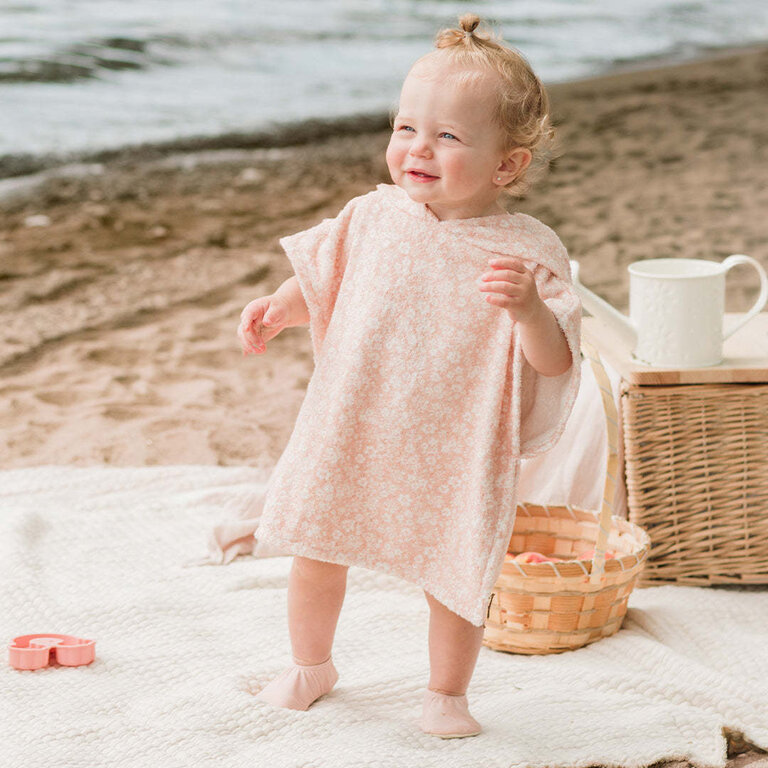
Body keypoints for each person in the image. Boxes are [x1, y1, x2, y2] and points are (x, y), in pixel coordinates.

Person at [237, 13, 581, 739]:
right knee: (318, 545)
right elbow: (321, 281)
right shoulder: (371, 216)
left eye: (448, 137)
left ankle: (447, 693)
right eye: (405, 128)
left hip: (456, 445)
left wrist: (527, 312)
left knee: (456, 573)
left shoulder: (525, 251)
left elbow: (556, 363)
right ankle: (311, 664)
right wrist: (276, 307)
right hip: (355, 421)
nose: (417, 149)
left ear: (506, 166)